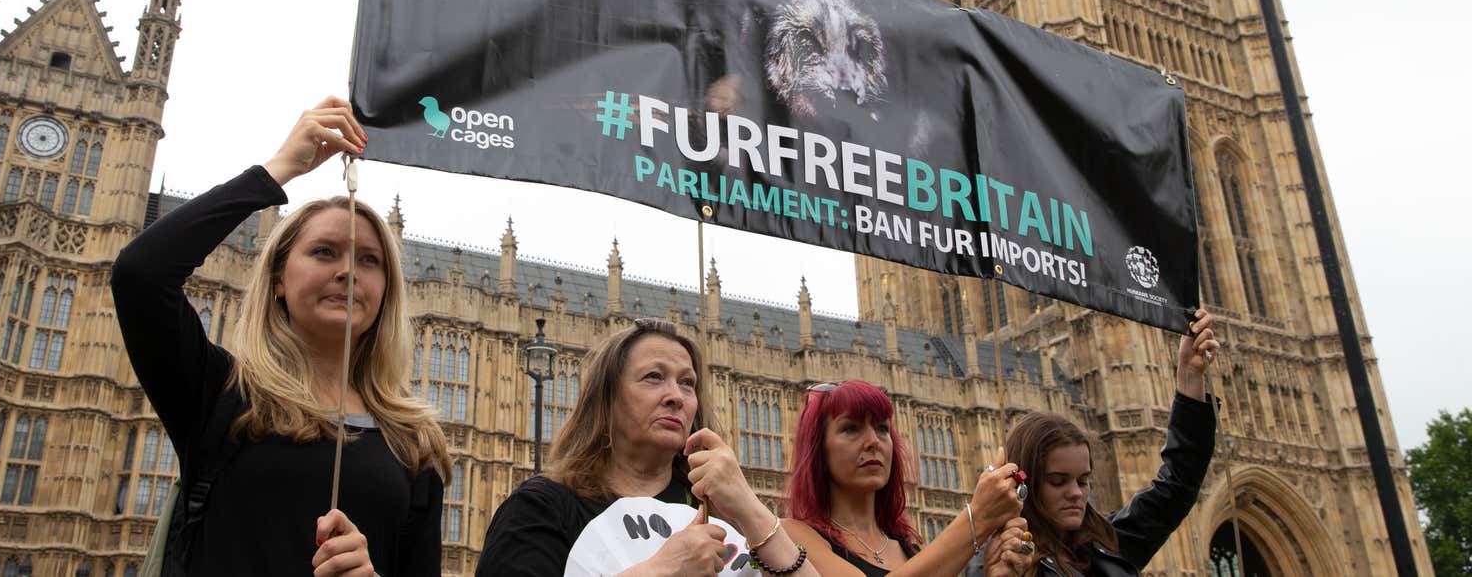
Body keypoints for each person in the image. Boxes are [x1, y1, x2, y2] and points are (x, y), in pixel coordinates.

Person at [112, 97, 450, 576]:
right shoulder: (219, 395)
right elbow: (140, 275)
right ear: (277, 278)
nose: (348, 271)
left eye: (370, 260)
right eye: (324, 252)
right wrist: (279, 171)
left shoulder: (413, 443)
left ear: (387, 292)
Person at [479, 318, 830, 576]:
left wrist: (749, 508)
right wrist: (662, 570)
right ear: (607, 399)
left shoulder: (717, 515)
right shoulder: (542, 507)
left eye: (688, 383)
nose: (675, 396)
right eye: (653, 377)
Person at [968, 308, 1221, 577]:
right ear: (1024, 485)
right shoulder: (997, 562)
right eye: (1057, 481)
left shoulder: (1106, 544)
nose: (1076, 493)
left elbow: (1178, 483)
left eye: (1083, 481)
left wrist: (1190, 376)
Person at [783, 380, 1033, 577]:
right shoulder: (791, 538)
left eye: (882, 428)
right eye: (851, 428)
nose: (873, 441)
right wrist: (978, 518)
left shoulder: (911, 546)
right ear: (818, 451)